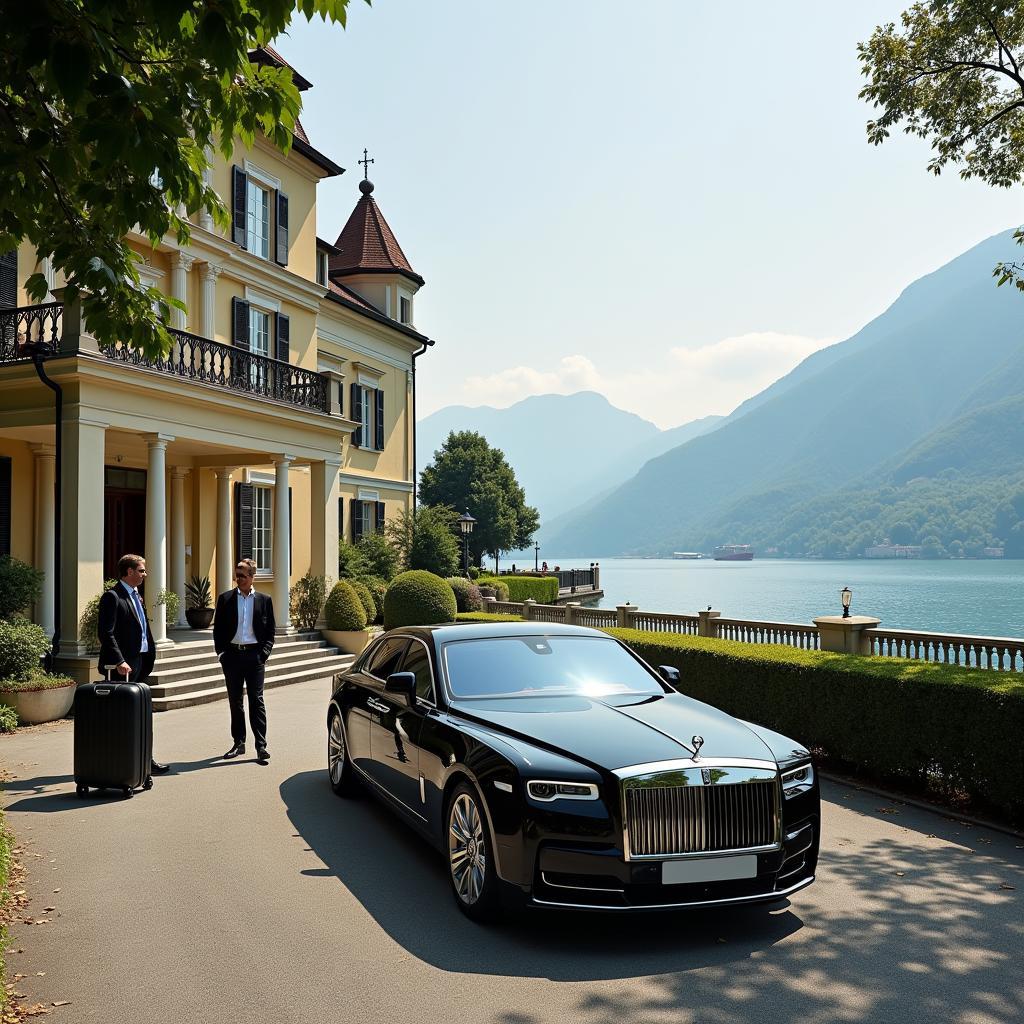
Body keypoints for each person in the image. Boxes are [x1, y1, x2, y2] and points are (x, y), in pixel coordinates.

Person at [96, 554, 170, 775]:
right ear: (129, 572)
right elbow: (105, 633)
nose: (145, 575)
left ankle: (145, 761)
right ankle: (120, 763)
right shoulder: (112, 597)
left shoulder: (136, 595)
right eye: (141, 571)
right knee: (121, 719)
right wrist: (119, 661)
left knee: (140, 715)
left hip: (139, 661)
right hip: (122, 667)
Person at [213, 559, 276, 762]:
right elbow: (218, 630)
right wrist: (221, 654)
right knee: (235, 701)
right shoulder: (225, 599)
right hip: (232, 656)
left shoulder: (264, 600)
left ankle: (261, 746)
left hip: (254, 656)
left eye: (243, 575)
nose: (238, 579)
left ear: (252, 576)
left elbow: (270, 631)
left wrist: (264, 653)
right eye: (237, 575)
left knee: (256, 700)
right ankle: (238, 743)